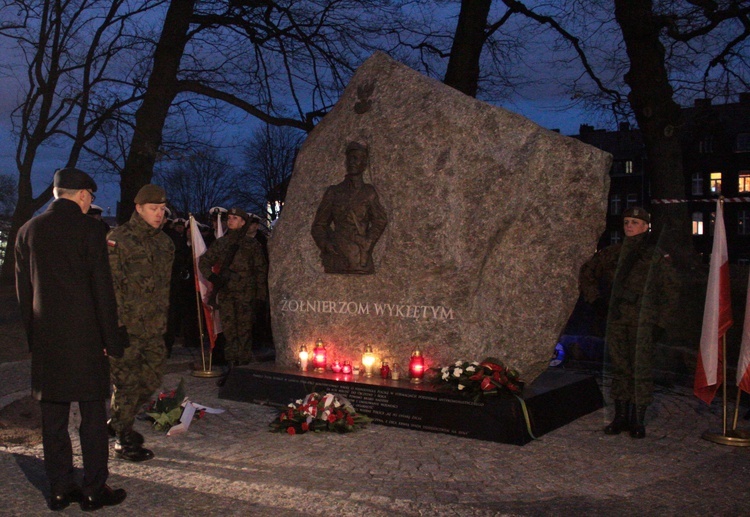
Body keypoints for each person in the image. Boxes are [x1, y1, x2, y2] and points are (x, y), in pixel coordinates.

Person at [15, 167, 127, 511]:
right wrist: (112, 339)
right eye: (90, 196)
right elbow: (102, 290)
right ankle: (94, 488)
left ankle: (60, 488)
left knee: (53, 420)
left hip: (49, 338)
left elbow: (24, 294)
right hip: (87, 338)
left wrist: (36, 339)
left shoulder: (27, 231)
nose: (90, 201)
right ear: (81, 195)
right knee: (93, 417)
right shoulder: (91, 229)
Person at [579, 207, 678, 439]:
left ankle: (638, 419)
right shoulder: (613, 253)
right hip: (618, 319)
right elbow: (588, 273)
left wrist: (660, 324)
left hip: (644, 321)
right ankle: (620, 416)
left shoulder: (655, 257)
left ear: (645, 226)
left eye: (634, 222)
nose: (629, 226)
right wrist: (596, 301)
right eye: (626, 222)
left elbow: (671, 292)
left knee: (640, 369)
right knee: (620, 368)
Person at [107, 184, 174, 461]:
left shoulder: (165, 244)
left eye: (161, 209)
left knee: (151, 380)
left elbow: (165, 288)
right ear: (138, 208)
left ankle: (117, 422)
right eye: (153, 209)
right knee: (127, 384)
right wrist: (115, 327)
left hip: (155, 328)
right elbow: (110, 287)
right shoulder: (118, 239)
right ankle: (124, 440)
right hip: (127, 328)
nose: (159, 214)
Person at [199, 208, 267, 367]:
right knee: (229, 332)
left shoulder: (252, 245)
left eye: (235, 218)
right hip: (226, 294)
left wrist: (260, 296)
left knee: (244, 331)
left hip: (246, 294)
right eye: (229, 218)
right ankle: (231, 366)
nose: (230, 221)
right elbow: (204, 262)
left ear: (243, 222)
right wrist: (213, 277)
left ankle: (243, 365)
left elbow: (260, 271)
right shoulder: (221, 243)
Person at [311, 141, 388, 274]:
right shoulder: (334, 192)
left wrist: (369, 241)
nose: (352, 162)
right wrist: (325, 244)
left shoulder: (368, 192)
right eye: (350, 158)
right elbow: (319, 225)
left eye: (356, 159)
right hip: (338, 256)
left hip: (359, 257)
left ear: (364, 164)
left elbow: (380, 220)